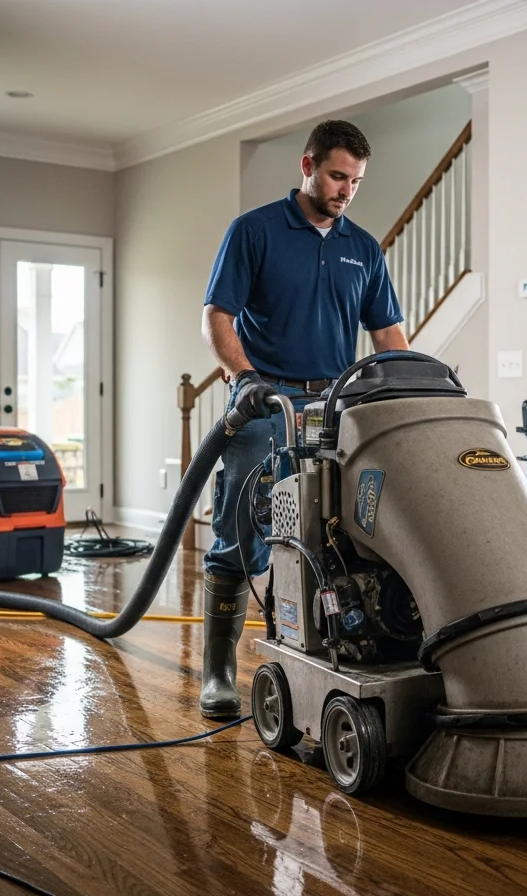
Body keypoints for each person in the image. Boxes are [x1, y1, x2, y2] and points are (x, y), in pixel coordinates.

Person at [197, 119, 409, 719]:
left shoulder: (362, 248)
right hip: (266, 404)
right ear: (308, 165)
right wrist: (245, 378)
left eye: (357, 181)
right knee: (241, 530)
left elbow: (386, 331)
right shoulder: (256, 231)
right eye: (338, 175)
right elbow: (218, 315)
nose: (346, 190)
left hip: (335, 407)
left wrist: (407, 381)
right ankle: (217, 672)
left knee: (336, 532)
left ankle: (327, 650)